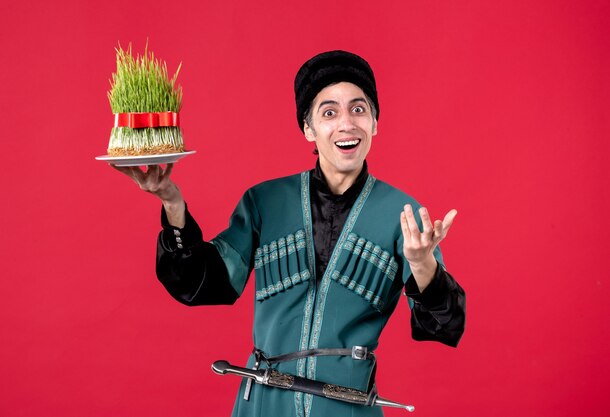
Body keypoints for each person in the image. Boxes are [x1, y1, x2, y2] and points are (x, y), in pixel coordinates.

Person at [112, 50, 466, 417]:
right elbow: (202, 284)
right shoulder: (264, 202)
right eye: (329, 112)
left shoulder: (405, 216)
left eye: (359, 110)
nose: (347, 124)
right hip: (264, 403)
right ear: (308, 128)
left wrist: (423, 264)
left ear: (375, 122)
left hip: (348, 407)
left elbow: (444, 327)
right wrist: (172, 203)